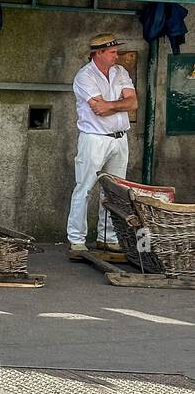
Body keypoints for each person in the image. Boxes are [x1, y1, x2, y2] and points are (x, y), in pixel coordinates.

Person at [67, 33, 137, 255]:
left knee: (114, 192)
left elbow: (133, 102)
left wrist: (111, 105)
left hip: (119, 137)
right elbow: (99, 108)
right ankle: (76, 240)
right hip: (94, 138)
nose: (117, 56)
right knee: (85, 188)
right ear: (98, 53)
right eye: (112, 52)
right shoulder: (85, 76)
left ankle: (107, 237)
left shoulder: (120, 72)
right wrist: (120, 104)